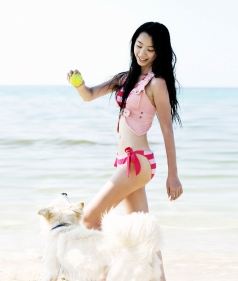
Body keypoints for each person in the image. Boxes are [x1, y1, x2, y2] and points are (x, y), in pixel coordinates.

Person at [67, 22, 183, 281]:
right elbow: (89, 94)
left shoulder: (158, 84)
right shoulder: (125, 79)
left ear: (158, 52)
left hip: (137, 162)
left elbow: (167, 130)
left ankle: (104, 275)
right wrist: (78, 82)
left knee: (89, 219)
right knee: (144, 235)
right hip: (125, 163)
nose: (142, 53)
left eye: (150, 50)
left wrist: (172, 175)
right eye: (139, 46)